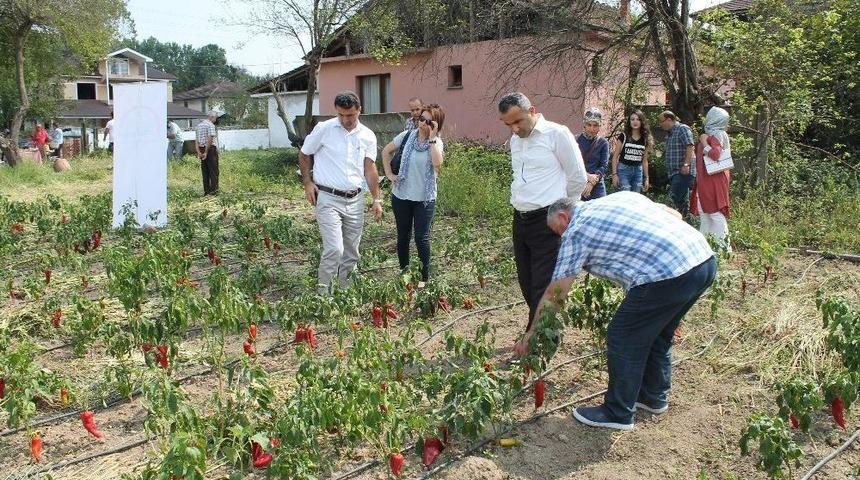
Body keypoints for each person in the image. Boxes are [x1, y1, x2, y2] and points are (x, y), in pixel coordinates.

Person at [515, 193, 716, 431]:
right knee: (658, 333)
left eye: (557, 230)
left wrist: (532, 333)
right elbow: (674, 214)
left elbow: (555, 294)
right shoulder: (620, 198)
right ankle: (653, 397)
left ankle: (618, 412)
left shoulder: (576, 230)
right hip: (702, 260)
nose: (559, 237)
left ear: (563, 216)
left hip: (666, 274)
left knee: (623, 335)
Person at [498, 92, 588, 334]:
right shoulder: (517, 140)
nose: (515, 129)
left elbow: (577, 177)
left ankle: (537, 343)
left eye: (518, 121)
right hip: (521, 218)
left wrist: (562, 214)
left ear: (532, 111)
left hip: (548, 220)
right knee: (527, 283)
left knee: (543, 285)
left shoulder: (557, 134)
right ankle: (545, 330)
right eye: (509, 125)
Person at [299, 91, 382, 294]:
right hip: (328, 198)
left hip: (355, 200)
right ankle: (323, 296)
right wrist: (308, 183)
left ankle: (346, 294)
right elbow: (304, 154)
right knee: (335, 249)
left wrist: (377, 199)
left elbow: (370, 169)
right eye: (342, 115)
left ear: (359, 111)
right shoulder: (324, 129)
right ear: (336, 111)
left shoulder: (367, 135)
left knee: (352, 252)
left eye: (350, 115)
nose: (346, 120)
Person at [382, 104, 445, 286]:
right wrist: (388, 174)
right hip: (401, 196)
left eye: (428, 121)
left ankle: (424, 280)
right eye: (421, 119)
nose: (423, 123)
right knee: (403, 236)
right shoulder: (407, 136)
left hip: (424, 199)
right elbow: (386, 151)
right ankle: (405, 276)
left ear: (436, 125)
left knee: (421, 237)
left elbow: (437, 165)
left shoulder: (437, 143)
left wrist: (432, 138)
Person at [691, 106, 732, 252]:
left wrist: (705, 143)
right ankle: (704, 247)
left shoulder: (717, 134)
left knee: (715, 212)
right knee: (705, 213)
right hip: (705, 178)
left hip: (714, 179)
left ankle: (724, 249)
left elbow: (715, 155)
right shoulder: (711, 134)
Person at [659, 111, 696, 220]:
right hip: (674, 173)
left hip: (682, 172)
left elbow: (690, 146)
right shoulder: (670, 134)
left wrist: (686, 164)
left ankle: (681, 224)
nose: (660, 124)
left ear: (669, 119)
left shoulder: (682, 129)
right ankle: (687, 223)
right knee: (682, 202)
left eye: (661, 121)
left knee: (673, 200)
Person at [611, 110, 653, 193]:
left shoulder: (645, 139)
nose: (635, 122)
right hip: (623, 170)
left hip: (638, 171)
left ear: (642, 121)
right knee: (625, 195)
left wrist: (646, 178)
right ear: (629, 122)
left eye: (638, 119)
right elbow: (615, 157)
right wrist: (614, 175)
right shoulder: (623, 136)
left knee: (635, 198)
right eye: (632, 119)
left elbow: (644, 160)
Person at [577, 108, 610, 200]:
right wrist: (587, 176)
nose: (592, 129)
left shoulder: (603, 143)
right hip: (579, 182)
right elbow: (571, 163)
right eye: (589, 125)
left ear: (599, 126)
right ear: (585, 124)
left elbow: (603, 166)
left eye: (595, 125)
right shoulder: (576, 140)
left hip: (597, 184)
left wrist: (591, 183)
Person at [195, 111, 219, 195]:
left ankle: (206, 191)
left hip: (201, 148)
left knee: (205, 171)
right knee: (213, 170)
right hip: (210, 149)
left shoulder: (199, 125)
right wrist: (206, 151)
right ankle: (214, 191)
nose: (215, 120)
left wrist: (199, 152)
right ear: (212, 117)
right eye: (215, 118)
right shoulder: (210, 125)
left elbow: (196, 140)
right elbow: (210, 138)